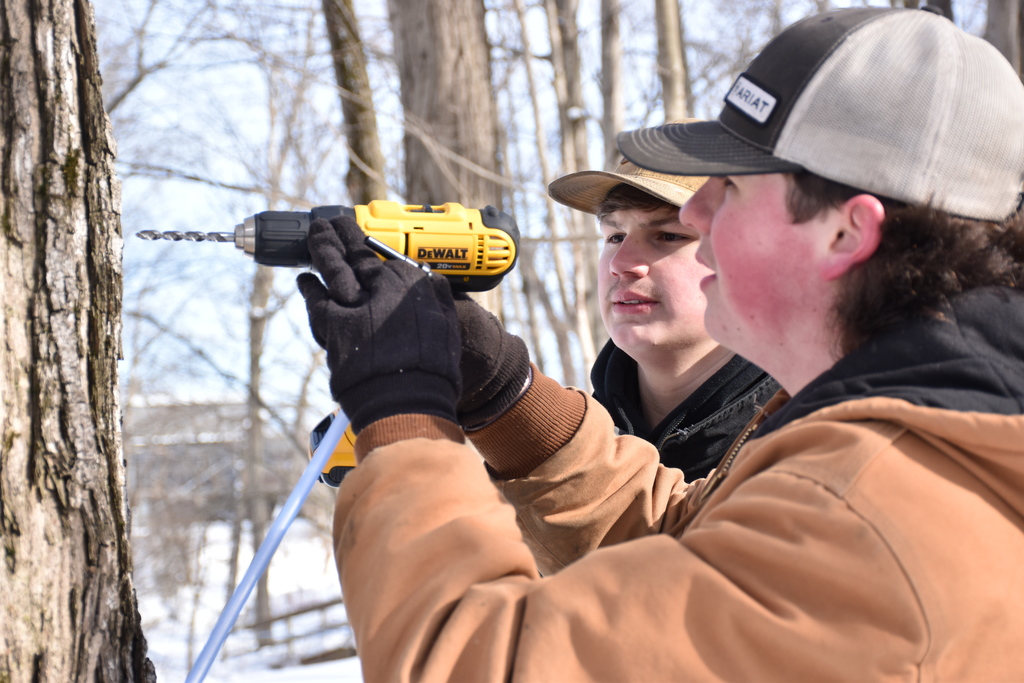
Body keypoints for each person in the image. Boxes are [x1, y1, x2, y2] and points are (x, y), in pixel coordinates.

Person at [297, 6, 1024, 680]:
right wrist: (506, 395)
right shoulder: (922, 440)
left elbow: (476, 663)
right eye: (615, 234)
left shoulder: (873, 511)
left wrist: (402, 415)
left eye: (733, 188)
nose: (700, 211)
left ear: (846, 232)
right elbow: (683, 540)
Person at [548, 155, 779, 480]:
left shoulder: (813, 436)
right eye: (615, 236)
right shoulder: (570, 449)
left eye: (669, 235)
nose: (620, 263)